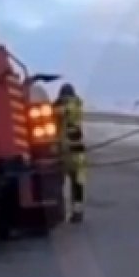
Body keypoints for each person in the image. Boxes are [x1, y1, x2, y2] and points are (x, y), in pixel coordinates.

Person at [54, 83, 87, 223]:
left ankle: (61, 212)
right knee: (77, 184)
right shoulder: (78, 106)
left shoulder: (68, 108)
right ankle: (77, 211)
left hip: (66, 151)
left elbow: (60, 112)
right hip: (78, 152)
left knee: (59, 183)